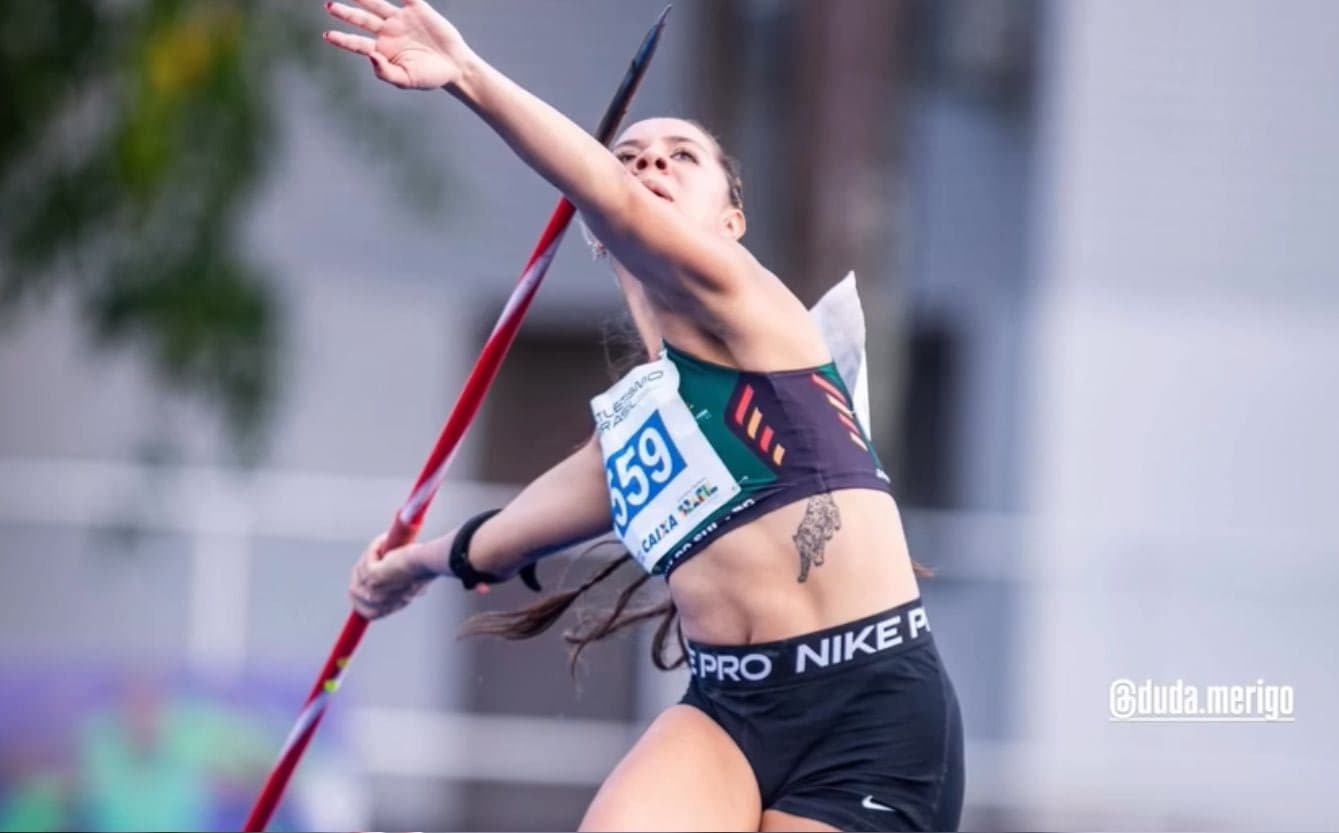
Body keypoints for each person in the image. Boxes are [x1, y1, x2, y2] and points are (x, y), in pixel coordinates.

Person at [325, 1, 964, 830]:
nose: (648, 165)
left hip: (869, 714)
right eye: (628, 156)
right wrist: (408, 567)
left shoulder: (751, 306)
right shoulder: (631, 429)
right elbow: (506, 538)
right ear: (593, 234)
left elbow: (619, 207)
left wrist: (469, 75)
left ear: (730, 222)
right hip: (729, 712)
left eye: (679, 157)